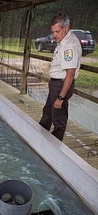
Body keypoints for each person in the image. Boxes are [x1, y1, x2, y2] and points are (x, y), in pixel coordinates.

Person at [39, 13, 82, 141]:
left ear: (66, 28)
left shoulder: (70, 46)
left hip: (61, 86)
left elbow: (70, 74)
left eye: (57, 32)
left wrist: (60, 97)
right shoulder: (63, 41)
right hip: (56, 85)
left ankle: (55, 150)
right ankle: (39, 139)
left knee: (58, 120)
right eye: (53, 32)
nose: (54, 35)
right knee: (48, 113)